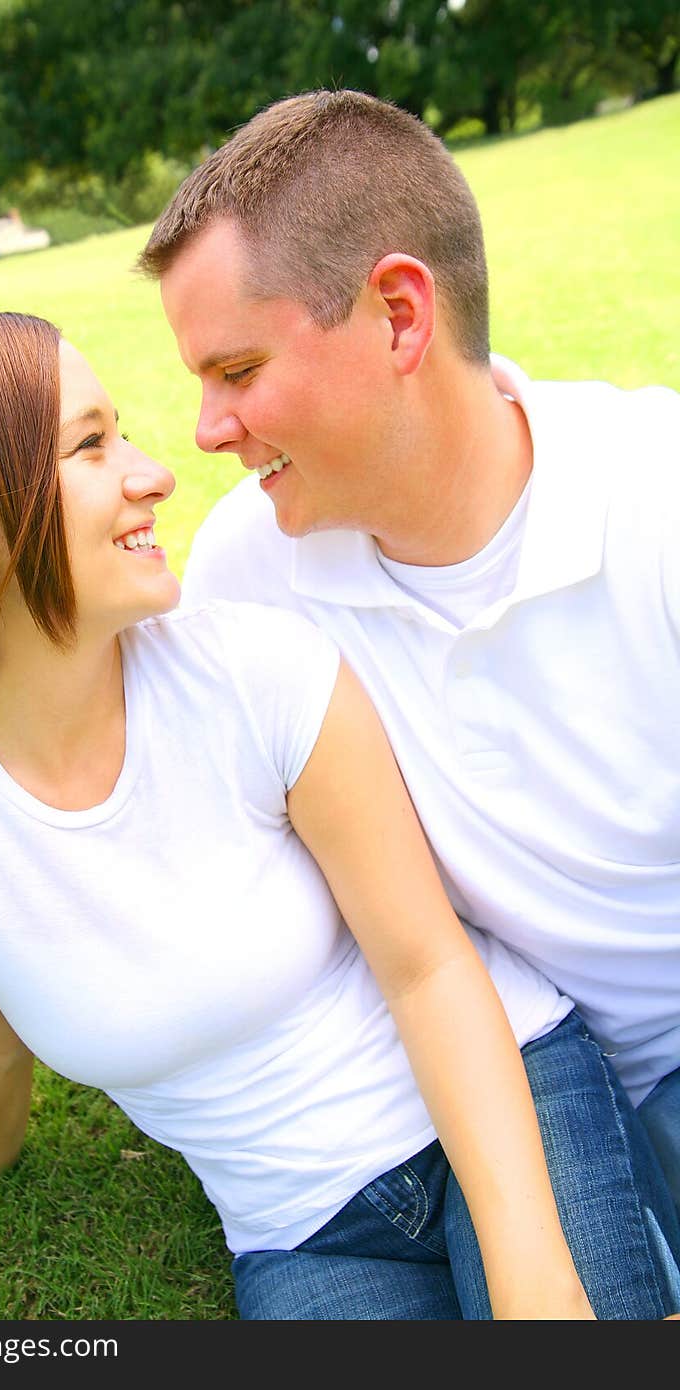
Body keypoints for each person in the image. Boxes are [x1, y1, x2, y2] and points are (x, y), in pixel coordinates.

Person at [0, 312, 677, 1325]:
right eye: (92, 446)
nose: (155, 472)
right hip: (295, 1226)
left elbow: (428, 964)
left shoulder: (260, 671)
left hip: (511, 1098)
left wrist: (533, 1279)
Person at [140, 87, 680, 1219]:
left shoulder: (654, 492)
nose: (203, 429)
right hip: (516, 1076)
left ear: (396, 314)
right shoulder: (251, 561)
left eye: (236, 372)